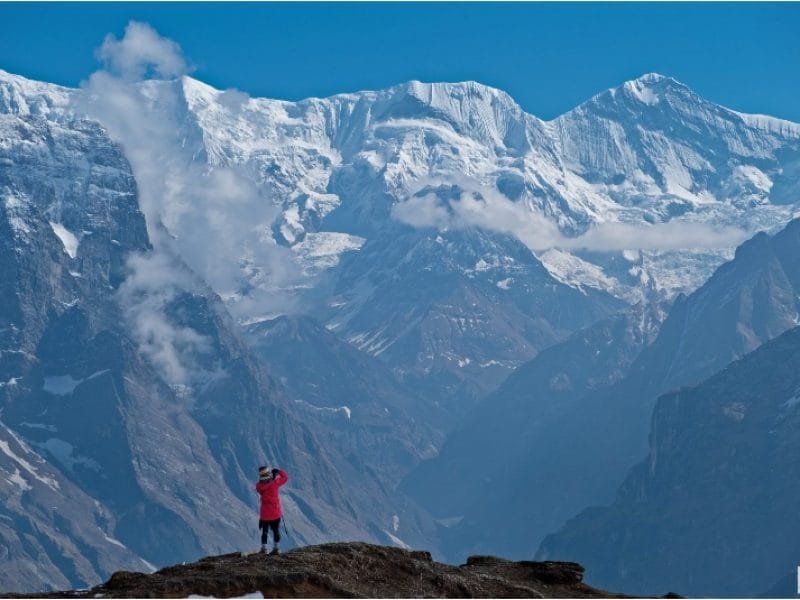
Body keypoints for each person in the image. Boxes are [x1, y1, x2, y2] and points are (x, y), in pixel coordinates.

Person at [256, 465, 288, 554]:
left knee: (264, 531)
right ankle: (276, 548)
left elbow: (261, 486)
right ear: (269, 473)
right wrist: (278, 471)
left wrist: (272, 479)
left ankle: (264, 548)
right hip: (275, 513)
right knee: (276, 530)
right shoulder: (275, 483)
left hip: (265, 514)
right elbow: (285, 478)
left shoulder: (259, 486)